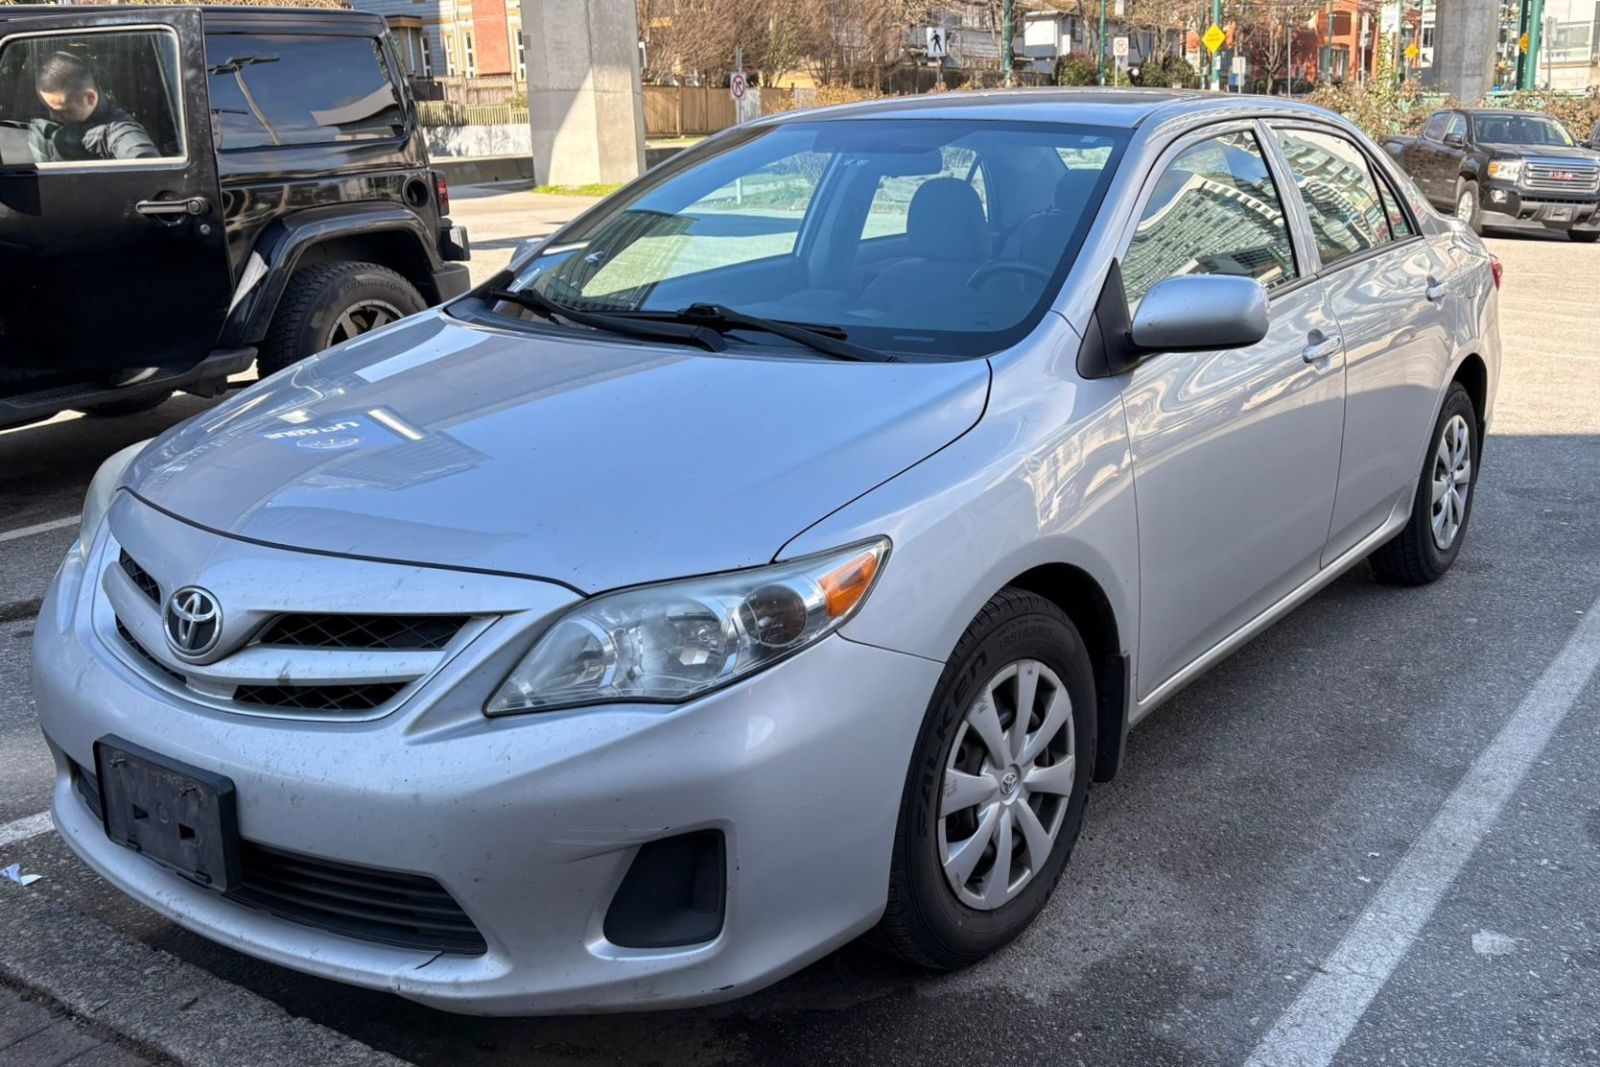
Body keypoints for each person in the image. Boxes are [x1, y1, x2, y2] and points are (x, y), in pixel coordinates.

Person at [28, 51, 159, 162]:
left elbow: (151, 170)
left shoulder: (120, 131)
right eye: (48, 108)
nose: (54, 116)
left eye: (63, 111)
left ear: (90, 98)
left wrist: (100, 137)